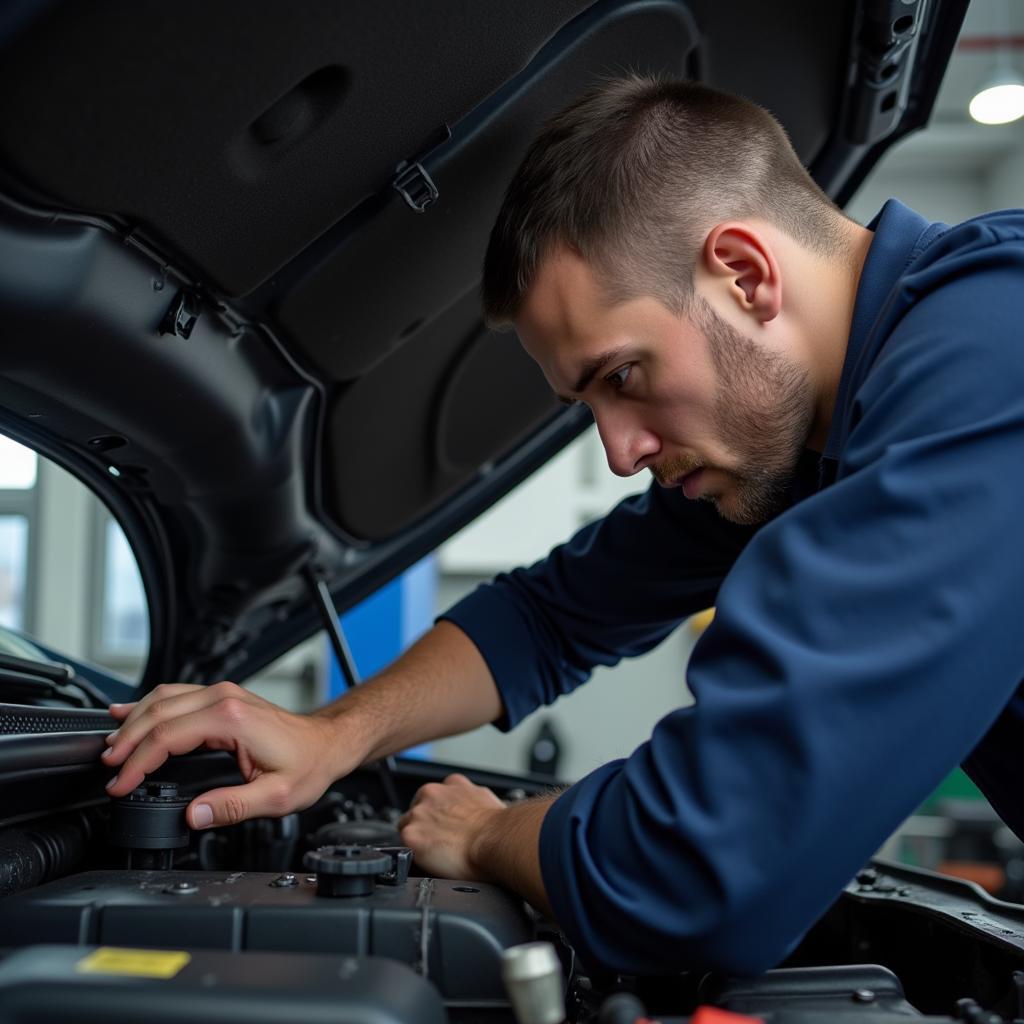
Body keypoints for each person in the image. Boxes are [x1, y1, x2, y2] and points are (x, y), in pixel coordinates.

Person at [100, 77, 1024, 976]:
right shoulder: (804, 442)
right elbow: (549, 616)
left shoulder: (989, 352)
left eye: (622, 376)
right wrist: (330, 735)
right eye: (587, 404)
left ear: (744, 274)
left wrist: (493, 831)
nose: (621, 454)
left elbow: (702, 867)